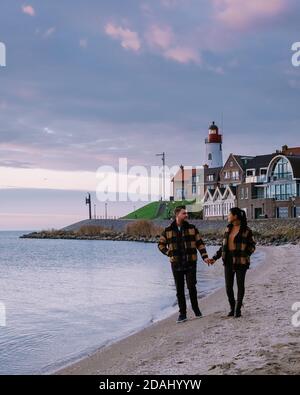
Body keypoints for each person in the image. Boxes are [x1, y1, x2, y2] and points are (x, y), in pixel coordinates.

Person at [158, 205, 212, 323]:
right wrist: (168, 253)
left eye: (187, 213)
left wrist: (205, 257)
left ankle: (196, 309)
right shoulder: (168, 230)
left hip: (191, 262)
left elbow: (200, 243)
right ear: (177, 215)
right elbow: (160, 244)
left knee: (192, 286)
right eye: (184, 213)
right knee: (179, 290)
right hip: (176, 264)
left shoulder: (192, 228)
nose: (186, 215)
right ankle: (182, 314)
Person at [210, 207, 256, 318]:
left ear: (235, 216)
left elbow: (252, 246)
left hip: (241, 260)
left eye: (229, 214)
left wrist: (245, 255)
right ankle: (232, 307)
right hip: (228, 260)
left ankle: (238, 309)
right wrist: (215, 258)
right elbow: (223, 247)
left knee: (240, 286)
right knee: (228, 286)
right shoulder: (228, 229)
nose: (227, 216)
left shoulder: (246, 230)